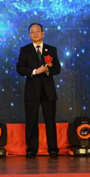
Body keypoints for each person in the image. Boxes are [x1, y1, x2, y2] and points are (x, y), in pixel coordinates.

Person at [16, 23, 61, 157]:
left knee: (50, 120)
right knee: (31, 120)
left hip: (48, 91)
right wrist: (35, 71)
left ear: (43, 33)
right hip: (32, 90)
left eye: (37, 31)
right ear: (29, 35)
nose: (35, 34)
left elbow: (57, 69)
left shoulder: (51, 49)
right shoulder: (25, 50)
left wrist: (47, 70)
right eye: (32, 32)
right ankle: (31, 149)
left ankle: (53, 149)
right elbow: (20, 68)